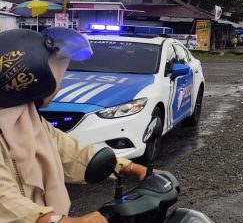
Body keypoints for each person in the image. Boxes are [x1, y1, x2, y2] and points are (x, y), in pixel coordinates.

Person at [0, 28, 148, 223]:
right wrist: (56, 220)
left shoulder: (28, 118)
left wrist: (132, 168)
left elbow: (71, 151)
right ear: (34, 79)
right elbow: (4, 198)